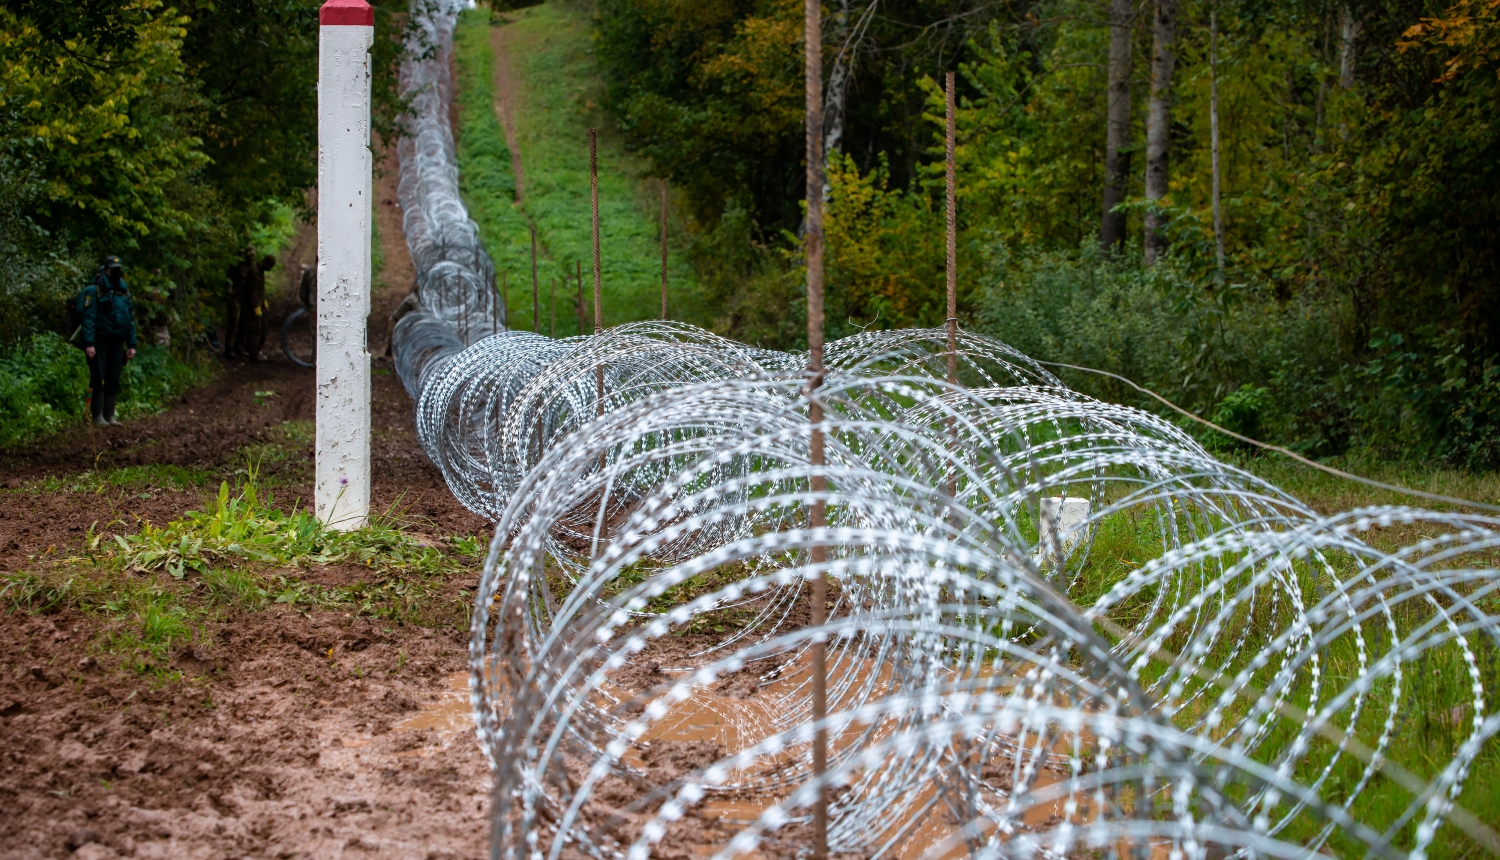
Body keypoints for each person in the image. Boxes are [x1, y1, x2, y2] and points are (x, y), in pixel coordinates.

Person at [81, 255, 138, 427]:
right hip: (99, 339)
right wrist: (89, 343)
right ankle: (97, 416)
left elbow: (129, 319)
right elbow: (88, 318)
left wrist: (132, 344)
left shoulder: (124, 292)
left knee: (113, 377)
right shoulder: (95, 290)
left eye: (119, 269)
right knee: (98, 375)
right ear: (106, 270)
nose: (116, 272)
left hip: (117, 341)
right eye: (113, 269)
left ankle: (110, 416)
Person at [225, 247, 276, 361]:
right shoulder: (241, 267)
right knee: (235, 323)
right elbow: (232, 283)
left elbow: (258, 288)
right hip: (238, 298)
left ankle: (241, 347)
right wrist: (229, 295)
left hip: (248, 300)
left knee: (245, 325)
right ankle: (230, 348)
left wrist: (262, 300)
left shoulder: (256, 269)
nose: (251, 258)